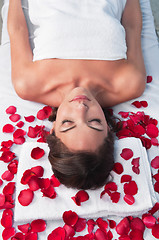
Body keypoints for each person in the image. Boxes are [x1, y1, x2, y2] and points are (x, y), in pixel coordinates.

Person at [7, 0, 146, 189]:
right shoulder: (129, 83)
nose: (81, 108)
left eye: (68, 123)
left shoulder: (29, 85)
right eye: (94, 122)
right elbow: (131, 27)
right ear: (109, 130)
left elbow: (17, 30)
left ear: (53, 129)